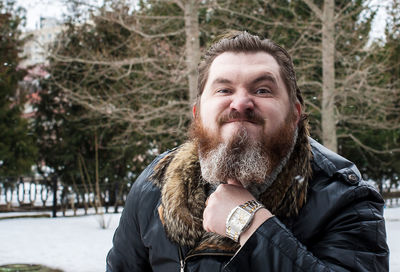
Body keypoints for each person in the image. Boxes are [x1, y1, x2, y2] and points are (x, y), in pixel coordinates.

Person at [106, 31, 389, 271]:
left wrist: (249, 222)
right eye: (224, 90)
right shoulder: (153, 187)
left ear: (295, 114)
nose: (240, 103)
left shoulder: (346, 198)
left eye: (263, 90)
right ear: (197, 114)